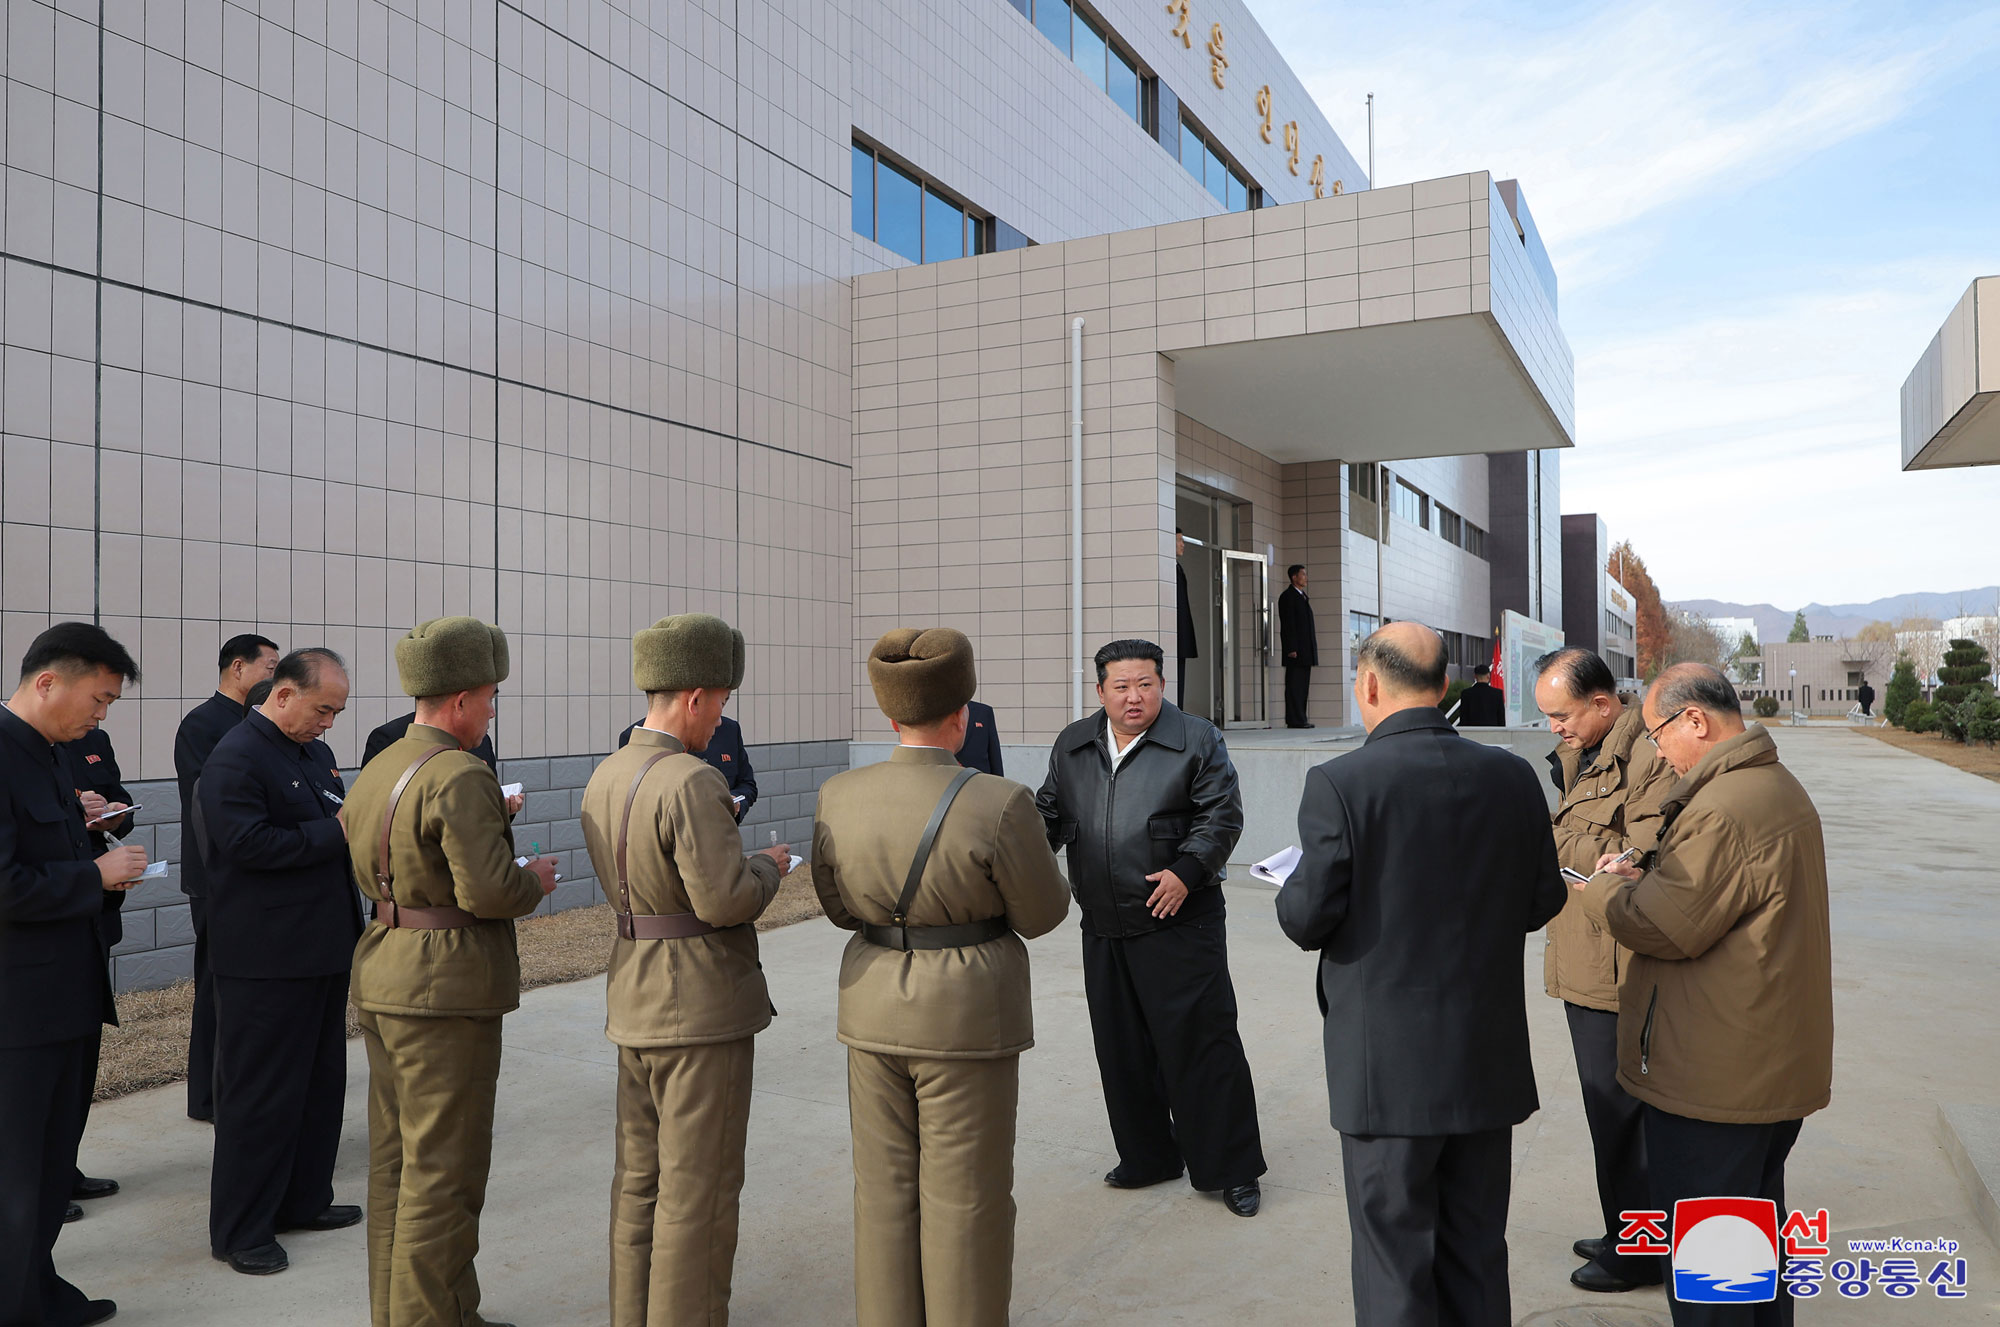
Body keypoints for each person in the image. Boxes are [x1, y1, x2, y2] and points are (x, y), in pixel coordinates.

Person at [1277, 623, 1566, 1327]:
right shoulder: (1510, 774)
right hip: (1484, 1059)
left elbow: (1308, 915)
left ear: (1370, 685)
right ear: (1444, 688)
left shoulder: (1340, 782)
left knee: (1393, 1263)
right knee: (1475, 1251)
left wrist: (1293, 883)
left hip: (1388, 1072)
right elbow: (1545, 898)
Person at [813, 628, 1070, 1327]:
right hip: (966, 1016)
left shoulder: (838, 794)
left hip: (870, 1009)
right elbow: (1044, 913)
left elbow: (836, 906)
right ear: (962, 714)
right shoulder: (1000, 801)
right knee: (967, 1198)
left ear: (890, 716)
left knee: (884, 1194)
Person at [1575, 664, 1833, 1327]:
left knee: (1711, 1279)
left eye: (1660, 734)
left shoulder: (1724, 806)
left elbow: (1664, 925)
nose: (1658, 751)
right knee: (1753, 1250)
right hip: (1758, 1062)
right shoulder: (1770, 786)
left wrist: (1605, 888)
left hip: (1717, 1080)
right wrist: (1651, 870)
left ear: (1697, 720)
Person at [345, 617, 558, 1327]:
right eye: (490, 698)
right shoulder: (461, 773)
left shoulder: (380, 764)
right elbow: (489, 892)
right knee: (446, 1174)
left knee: (397, 1165)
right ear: (462, 699)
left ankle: (426, 1310)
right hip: (444, 986)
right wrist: (533, 879)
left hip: (385, 968)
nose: (491, 711)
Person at [582, 615, 791, 1326]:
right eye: (722, 702)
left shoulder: (605, 773)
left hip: (633, 989)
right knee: (697, 1192)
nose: (721, 717)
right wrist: (770, 865)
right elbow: (725, 898)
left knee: (638, 1181)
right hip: (699, 1002)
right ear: (696, 696)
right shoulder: (692, 781)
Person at [1035, 639, 1263, 1217]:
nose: (1134, 697)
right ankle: (1149, 1156)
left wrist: (1188, 871)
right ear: (1100, 692)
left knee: (1202, 1047)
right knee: (1122, 1050)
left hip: (1179, 921)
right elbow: (1049, 818)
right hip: (1104, 923)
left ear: (1163, 685)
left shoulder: (1197, 739)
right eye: (1121, 686)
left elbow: (1222, 814)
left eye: (1145, 684)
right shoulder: (1074, 744)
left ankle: (1230, 1168)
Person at [197, 648, 364, 1276]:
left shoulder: (312, 754)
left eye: (336, 713)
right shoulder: (237, 756)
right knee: (260, 1095)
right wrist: (338, 832)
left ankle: (303, 1199)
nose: (327, 723)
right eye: (322, 709)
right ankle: (242, 1228)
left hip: (319, 947)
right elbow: (243, 844)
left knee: (319, 1085)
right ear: (284, 692)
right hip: (264, 958)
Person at [0, 622, 146, 1327]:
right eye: (99, 697)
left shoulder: (51, 756)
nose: (101, 715)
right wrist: (94, 873)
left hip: (69, 992)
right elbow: (6, 884)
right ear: (47, 680)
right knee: (19, 1172)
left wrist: (90, 832)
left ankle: (37, 1291)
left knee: (52, 1166)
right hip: (19, 1006)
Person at [1532, 647, 1677, 1294]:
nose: (1554, 728)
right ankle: (1626, 1228)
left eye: (1562, 715)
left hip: (1617, 962)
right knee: (1606, 1110)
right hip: (1584, 948)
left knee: (1622, 1113)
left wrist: (1559, 848)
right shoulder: (1584, 753)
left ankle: (1641, 1248)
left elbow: (1642, 852)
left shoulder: (1647, 754)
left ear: (1601, 701)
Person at [174, 631, 279, 1122]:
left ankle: (239, 1085)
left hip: (257, 874)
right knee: (216, 984)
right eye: (270, 667)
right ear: (237, 668)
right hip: (217, 874)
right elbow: (208, 806)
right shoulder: (203, 724)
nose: (277, 678)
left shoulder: (263, 722)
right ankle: (208, 1096)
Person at [55, 724, 136, 1224]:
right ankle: (38, 1177)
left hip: (92, 914)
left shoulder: (94, 741)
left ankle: (64, 1165)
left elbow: (122, 801)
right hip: (47, 920)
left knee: (82, 1051)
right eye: (97, 698)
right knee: (43, 1066)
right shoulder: (18, 750)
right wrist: (73, 812)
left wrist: (108, 810)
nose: (101, 713)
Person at [620, 711, 758, 822]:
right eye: (720, 701)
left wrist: (737, 802)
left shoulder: (729, 730)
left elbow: (747, 785)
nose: (718, 722)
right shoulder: (636, 738)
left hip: (722, 842)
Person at [1277, 564, 1318, 728]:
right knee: (1294, 685)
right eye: (1303, 574)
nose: (1306, 578)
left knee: (1302, 685)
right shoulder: (1288, 597)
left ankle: (1301, 718)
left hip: (1305, 650)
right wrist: (1291, 648)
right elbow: (1288, 624)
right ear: (1294, 577)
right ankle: (1295, 719)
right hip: (1296, 651)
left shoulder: (1302, 596)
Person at [1175, 529, 1199, 710]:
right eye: (1180, 540)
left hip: (1180, 635)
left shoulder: (1178, 567)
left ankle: (1179, 712)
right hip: (1174, 634)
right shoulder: (1168, 568)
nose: (1183, 544)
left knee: (1180, 676)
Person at [957, 698, 1003, 775]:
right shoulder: (937, 712)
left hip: (981, 779)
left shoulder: (984, 712)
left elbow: (994, 753)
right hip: (947, 779)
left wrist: (1000, 783)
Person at [1456, 661, 1505, 726]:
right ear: (1488, 676)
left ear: (1475, 676)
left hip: (1471, 733)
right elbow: (1501, 719)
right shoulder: (1497, 694)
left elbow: (1463, 718)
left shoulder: (1466, 694)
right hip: (1492, 733)